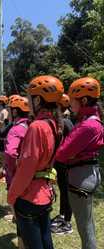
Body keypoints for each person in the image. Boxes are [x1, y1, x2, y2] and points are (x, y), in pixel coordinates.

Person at [8, 75, 64, 249]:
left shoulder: (37, 126)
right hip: (45, 193)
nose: (28, 102)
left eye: (30, 98)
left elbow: (26, 168)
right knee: (47, 241)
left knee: (35, 248)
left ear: (38, 99)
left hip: (30, 196)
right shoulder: (55, 124)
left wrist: (12, 195)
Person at [55, 77, 104, 249]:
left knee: (84, 226)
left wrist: (69, 152)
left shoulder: (88, 125)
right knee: (86, 223)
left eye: (73, 101)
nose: (70, 105)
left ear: (83, 100)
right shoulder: (91, 120)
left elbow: (62, 153)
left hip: (80, 177)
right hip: (86, 173)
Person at [4, 95, 30, 249]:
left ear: (15, 111)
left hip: (16, 178)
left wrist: (13, 171)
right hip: (32, 177)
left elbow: (10, 153)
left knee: (20, 217)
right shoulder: (32, 126)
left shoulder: (16, 129)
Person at [51, 94, 74, 235]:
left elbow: (71, 143)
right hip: (59, 163)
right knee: (62, 189)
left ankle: (67, 222)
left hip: (66, 164)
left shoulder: (66, 122)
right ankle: (61, 214)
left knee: (66, 192)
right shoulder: (60, 121)